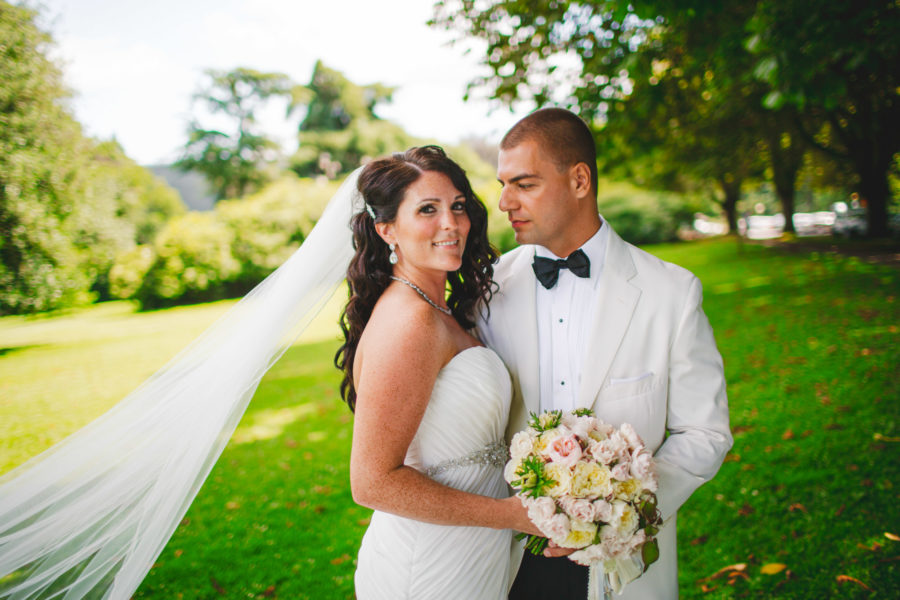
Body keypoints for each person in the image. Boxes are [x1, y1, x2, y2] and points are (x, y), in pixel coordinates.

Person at [477, 108, 733, 599]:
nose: (505, 202)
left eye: (524, 184)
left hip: (624, 567)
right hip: (508, 560)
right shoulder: (487, 292)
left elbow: (704, 432)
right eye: (503, 185)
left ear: (579, 180)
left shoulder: (672, 293)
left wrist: (623, 510)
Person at [336, 146, 539, 599]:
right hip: (429, 562)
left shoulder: (438, 309)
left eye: (458, 206)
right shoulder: (410, 321)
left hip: (473, 549)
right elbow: (372, 483)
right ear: (387, 229)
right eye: (428, 209)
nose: (452, 224)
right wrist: (511, 515)